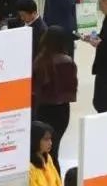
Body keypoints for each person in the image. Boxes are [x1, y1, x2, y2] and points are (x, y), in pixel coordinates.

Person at [32, 27, 77, 174]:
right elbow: (72, 89)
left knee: (45, 152)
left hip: (44, 110)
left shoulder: (40, 62)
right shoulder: (68, 61)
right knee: (54, 149)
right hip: (62, 111)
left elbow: (34, 88)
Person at [28, 121, 62, 186]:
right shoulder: (29, 167)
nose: (50, 143)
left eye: (50, 138)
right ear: (35, 140)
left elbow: (58, 181)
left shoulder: (48, 157)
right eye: (46, 139)